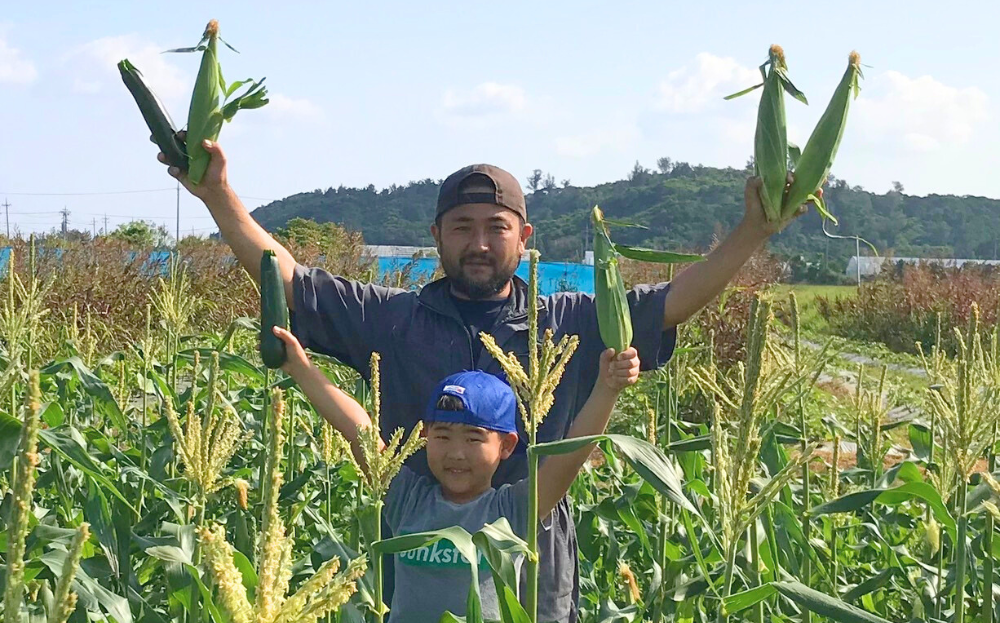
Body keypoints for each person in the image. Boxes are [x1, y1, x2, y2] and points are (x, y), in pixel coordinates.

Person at [160, 137, 809, 622]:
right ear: (437, 235)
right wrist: (218, 193)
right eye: (462, 228)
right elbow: (290, 281)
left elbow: (671, 300)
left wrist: (755, 228)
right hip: (421, 575)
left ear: (522, 235)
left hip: (531, 579)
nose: (478, 243)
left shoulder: (567, 323)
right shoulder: (393, 319)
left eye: (494, 228)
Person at [270, 323, 640, 622]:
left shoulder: (514, 511)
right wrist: (300, 368)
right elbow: (356, 428)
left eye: (474, 438)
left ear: (507, 447)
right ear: (425, 437)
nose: (456, 453)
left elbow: (571, 456)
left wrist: (607, 389)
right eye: (442, 436)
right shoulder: (406, 499)